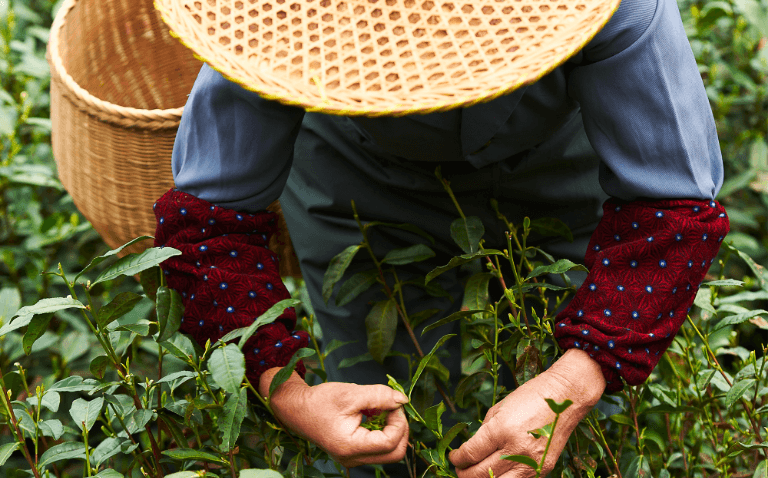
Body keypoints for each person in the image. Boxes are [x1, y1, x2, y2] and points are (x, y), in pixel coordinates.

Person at [151, 0, 730, 475]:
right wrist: (292, 396)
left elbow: (670, 208)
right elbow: (210, 226)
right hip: (354, 175)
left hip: (554, 166)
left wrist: (570, 381)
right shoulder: (269, 14)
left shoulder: (618, 8)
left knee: (556, 434)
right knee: (378, 424)